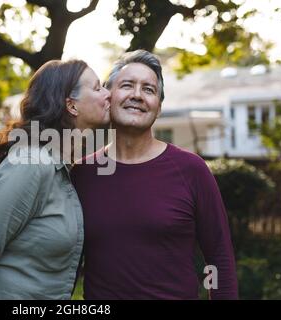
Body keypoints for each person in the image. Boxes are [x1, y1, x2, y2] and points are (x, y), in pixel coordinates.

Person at [71, 50, 239, 300]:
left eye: (148, 90)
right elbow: (66, 264)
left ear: (158, 108)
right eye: (127, 85)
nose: (137, 95)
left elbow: (218, 258)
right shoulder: (81, 174)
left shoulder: (192, 170)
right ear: (108, 97)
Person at [0, 59, 111, 300]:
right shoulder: (31, 165)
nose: (108, 94)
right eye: (98, 88)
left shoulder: (62, 169)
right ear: (71, 105)